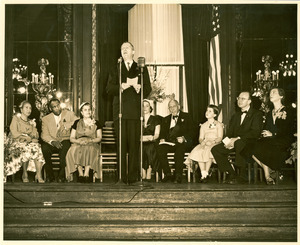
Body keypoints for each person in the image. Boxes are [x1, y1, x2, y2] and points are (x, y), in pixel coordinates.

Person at [106, 41, 151, 184]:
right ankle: (121, 177)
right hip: (120, 111)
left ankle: (133, 176)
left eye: (127, 48)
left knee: (134, 145)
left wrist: (140, 88)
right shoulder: (116, 68)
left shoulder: (141, 68)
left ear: (133, 51)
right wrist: (120, 86)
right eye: (122, 48)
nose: (124, 50)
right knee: (121, 144)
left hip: (135, 112)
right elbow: (108, 89)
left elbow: (148, 88)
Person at [211, 91, 263, 184]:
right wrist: (227, 142)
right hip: (234, 142)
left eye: (243, 98)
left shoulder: (257, 114)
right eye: (238, 98)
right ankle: (232, 174)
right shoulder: (236, 116)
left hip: (249, 143)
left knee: (239, 143)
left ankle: (242, 175)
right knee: (216, 149)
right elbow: (229, 133)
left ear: (249, 101)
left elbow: (255, 132)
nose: (240, 100)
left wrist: (237, 138)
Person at [252, 88, 294, 185]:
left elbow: (288, 130)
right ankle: (269, 174)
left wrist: (273, 134)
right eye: (270, 92)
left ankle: (268, 175)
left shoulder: (288, 110)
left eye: (274, 92)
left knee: (264, 147)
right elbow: (266, 127)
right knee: (252, 148)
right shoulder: (269, 113)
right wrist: (265, 133)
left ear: (281, 96)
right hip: (270, 140)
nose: (271, 94)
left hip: (283, 139)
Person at [41, 98, 78, 183]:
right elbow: (44, 135)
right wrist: (53, 142)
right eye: (54, 107)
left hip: (65, 139)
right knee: (44, 149)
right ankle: (50, 176)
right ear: (50, 109)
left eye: (58, 105)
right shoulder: (45, 119)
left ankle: (61, 176)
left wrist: (67, 125)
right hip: (52, 141)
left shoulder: (69, 114)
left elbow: (77, 121)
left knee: (65, 150)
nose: (57, 108)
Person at [156, 99, 193, 184]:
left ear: (178, 106)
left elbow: (192, 131)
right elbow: (162, 133)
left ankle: (178, 175)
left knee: (179, 150)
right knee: (159, 148)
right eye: (170, 107)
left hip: (181, 142)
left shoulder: (187, 117)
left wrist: (184, 138)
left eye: (174, 106)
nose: (172, 109)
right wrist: (162, 139)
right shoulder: (165, 119)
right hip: (169, 143)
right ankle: (168, 173)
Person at [8, 101, 45, 183]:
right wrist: (24, 137)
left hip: (29, 143)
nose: (29, 110)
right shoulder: (16, 119)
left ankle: (38, 175)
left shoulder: (31, 121)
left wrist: (34, 127)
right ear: (21, 109)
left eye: (30, 108)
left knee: (37, 147)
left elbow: (36, 136)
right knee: (28, 147)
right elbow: (14, 132)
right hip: (17, 143)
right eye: (26, 107)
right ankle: (24, 173)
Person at [184, 105, 223, 183]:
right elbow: (201, 138)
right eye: (207, 110)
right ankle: (204, 174)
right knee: (199, 151)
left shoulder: (219, 124)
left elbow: (220, 137)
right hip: (205, 142)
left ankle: (205, 174)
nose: (207, 112)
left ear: (215, 115)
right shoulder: (203, 125)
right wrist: (202, 142)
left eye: (210, 111)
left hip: (215, 143)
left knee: (209, 150)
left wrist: (212, 142)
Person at [65, 102, 102, 183]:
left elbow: (99, 138)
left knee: (90, 149)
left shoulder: (96, 123)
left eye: (89, 110)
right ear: (81, 112)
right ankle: (80, 173)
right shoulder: (76, 123)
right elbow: (71, 138)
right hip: (79, 142)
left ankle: (86, 173)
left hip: (92, 142)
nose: (88, 111)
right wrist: (77, 141)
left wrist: (91, 140)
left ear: (92, 112)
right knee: (74, 150)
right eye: (85, 110)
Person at [142, 100, 160, 180]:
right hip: (140, 142)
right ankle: (142, 170)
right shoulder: (137, 120)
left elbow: (157, 134)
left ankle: (149, 169)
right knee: (138, 147)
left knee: (150, 147)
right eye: (143, 106)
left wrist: (152, 138)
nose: (144, 108)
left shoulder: (155, 119)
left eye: (147, 106)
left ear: (150, 108)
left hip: (151, 141)